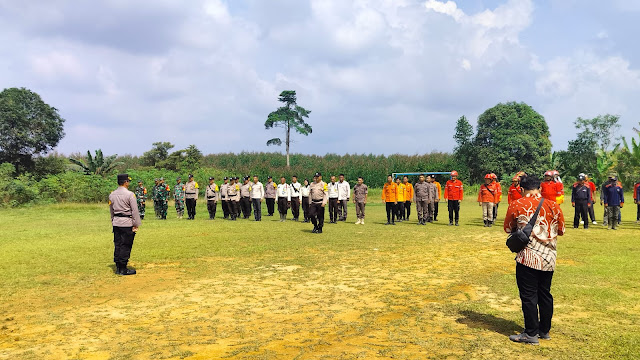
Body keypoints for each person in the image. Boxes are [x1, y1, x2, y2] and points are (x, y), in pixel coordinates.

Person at [503, 174, 565, 345]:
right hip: (549, 258)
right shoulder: (554, 205)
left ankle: (530, 333)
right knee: (545, 294)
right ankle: (544, 331)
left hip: (528, 257)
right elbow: (561, 230)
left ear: (521, 189)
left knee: (529, 295)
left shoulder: (517, 204)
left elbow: (508, 228)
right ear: (540, 187)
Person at [109, 174, 141, 276]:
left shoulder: (112, 194)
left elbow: (111, 210)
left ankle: (118, 267)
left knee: (117, 244)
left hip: (116, 222)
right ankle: (123, 268)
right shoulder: (130, 195)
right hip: (126, 222)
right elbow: (135, 211)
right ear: (125, 182)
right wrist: (136, 224)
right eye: (128, 181)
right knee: (126, 245)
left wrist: (113, 220)